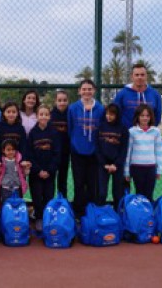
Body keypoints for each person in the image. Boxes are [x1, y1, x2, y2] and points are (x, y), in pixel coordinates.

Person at [68, 79, 104, 219]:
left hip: (94, 152)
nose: (87, 92)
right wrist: (75, 143)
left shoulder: (100, 109)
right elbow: (70, 128)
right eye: (84, 89)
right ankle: (78, 212)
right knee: (78, 183)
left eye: (90, 89)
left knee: (92, 184)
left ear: (94, 91)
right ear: (79, 91)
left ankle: (91, 212)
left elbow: (101, 130)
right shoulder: (73, 108)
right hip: (77, 152)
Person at [28, 104, 60, 231]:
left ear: (49, 116)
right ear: (37, 116)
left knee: (48, 195)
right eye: (41, 114)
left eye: (46, 114)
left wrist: (49, 170)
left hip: (50, 172)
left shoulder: (54, 133)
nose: (43, 117)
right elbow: (29, 154)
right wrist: (38, 170)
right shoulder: (32, 133)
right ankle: (39, 218)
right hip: (36, 173)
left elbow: (57, 153)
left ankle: (48, 217)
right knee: (37, 196)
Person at [0, 101, 30, 210]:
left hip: (16, 162)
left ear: (17, 114)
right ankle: (0, 212)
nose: (11, 114)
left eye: (14, 112)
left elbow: (24, 145)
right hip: (3, 163)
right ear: (3, 113)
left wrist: (23, 160)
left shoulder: (20, 128)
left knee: (18, 186)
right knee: (0, 189)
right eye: (8, 111)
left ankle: (18, 211)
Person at [124, 104, 162, 202]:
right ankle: (140, 214)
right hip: (136, 167)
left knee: (149, 194)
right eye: (142, 115)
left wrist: (159, 170)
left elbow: (159, 151)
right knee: (139, 194)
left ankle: (148, 214)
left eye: (147, 116)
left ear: (151, 117)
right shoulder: (132, 131)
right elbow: (128, 152)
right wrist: (126, 171)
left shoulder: (156, 132)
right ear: (137, 117)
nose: (145, 118)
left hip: (151, 167)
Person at [95, 103, 129, 210]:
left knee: (118, 192)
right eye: (107, 114)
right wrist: (104, 164)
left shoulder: (123, 129)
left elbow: (124, 149)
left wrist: (116, 164)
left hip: (117, 165)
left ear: (117, 115)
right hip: (103, 165)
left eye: (112, 114)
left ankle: (118, 213)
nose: (109, 116)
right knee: (101, 192)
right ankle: (100, 213)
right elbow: (97, 147)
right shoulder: (100, 127)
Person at [113, 63, 162, 129]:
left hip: (148, 135)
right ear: (132, 77)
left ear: (146, 76)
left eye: (142, 75)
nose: (139, 77)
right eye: (137, 75)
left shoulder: (155, 94)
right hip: (126, 134)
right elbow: (115, 114)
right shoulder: (122, 94)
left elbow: (158, 115)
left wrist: (149, 130)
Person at [50, 90, 70, 198]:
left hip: (66, 152)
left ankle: (63, 202)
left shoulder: (70, 114)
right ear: (55, 101)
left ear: (68, 101)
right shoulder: (50, 115)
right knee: (51, 178)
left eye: (64, 100)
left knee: (63, 179)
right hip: (52, 153)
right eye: (59, 100)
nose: (62, 103)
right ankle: (50, 202)